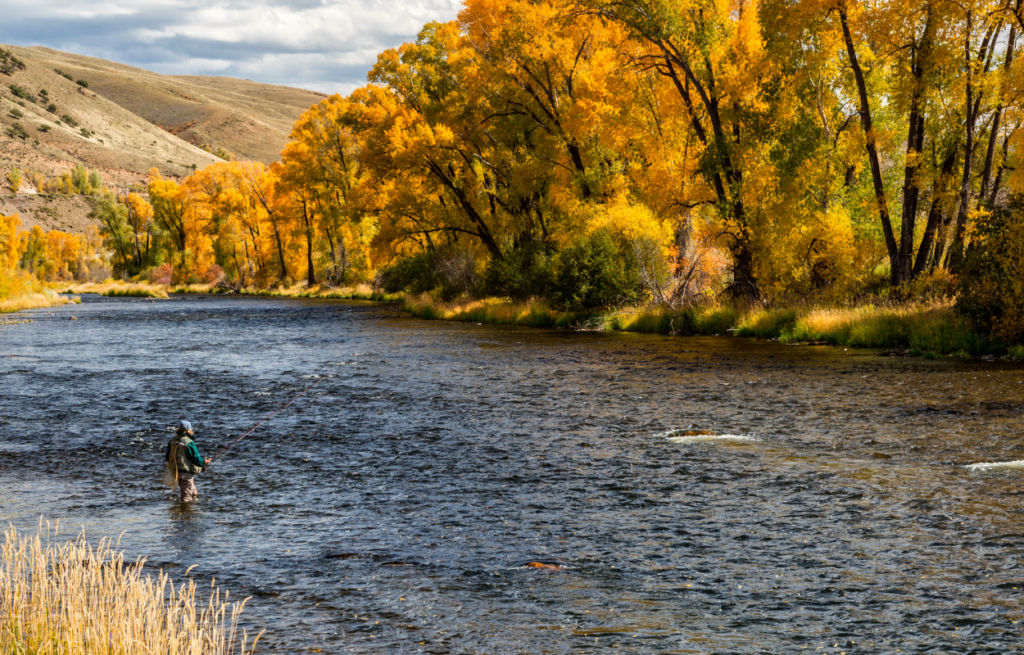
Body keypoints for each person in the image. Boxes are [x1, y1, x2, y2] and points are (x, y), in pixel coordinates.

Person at [165, 420, 210, 502]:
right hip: (185, 473)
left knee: (194, 493)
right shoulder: (189, 442)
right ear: (189, 430)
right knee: (186, 498)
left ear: (179, 429)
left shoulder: (172, 440)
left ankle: (192, 511)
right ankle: (185, 513)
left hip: (175, 472)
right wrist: (204, 462)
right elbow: (196, 458)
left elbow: (167, 457)